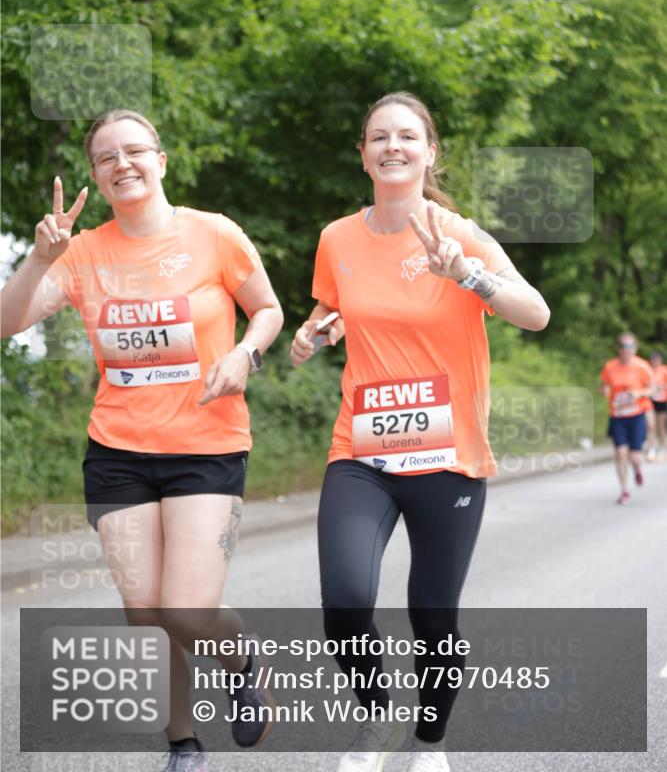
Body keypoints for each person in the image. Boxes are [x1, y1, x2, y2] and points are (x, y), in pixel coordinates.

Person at [0, 109, 284, 771]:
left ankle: (240, 659)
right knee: (146, 615)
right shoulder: (84, 251)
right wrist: (42, 256)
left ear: (161, 159)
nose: (122, 164)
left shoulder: (213, 235)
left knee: (184, 612)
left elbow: (266, 309)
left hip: (207, 447)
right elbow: (8, 323)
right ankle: (182, 744)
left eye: (134, 151)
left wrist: (246, 353)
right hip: (119, 453)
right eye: (106, 158)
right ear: (96, 177)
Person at [290, 91, 550, 772]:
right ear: (363, 155)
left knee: (431, 618)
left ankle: (428, 742)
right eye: (378, 137)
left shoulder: (457, 233)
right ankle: (375, 720)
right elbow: (334, 306)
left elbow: (535, 313)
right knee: (345, 603)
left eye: (407, 136)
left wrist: (467, 273)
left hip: (448, 454)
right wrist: (315, 331)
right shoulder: (336, 238)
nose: (392, 147)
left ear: (429, 151)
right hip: (363, 450)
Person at [599, 332, 653, 504]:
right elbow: (604, 386)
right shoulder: (610, 367)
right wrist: (605, 391)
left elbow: (654, 390)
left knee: (634, 456)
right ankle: (624, 491)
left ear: (635, 348)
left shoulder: (642, 367)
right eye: (622, 346)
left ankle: (637, 469)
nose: (625, 350)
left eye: (629, 346)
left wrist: (638, 393)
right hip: (618, 416)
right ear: (619, 349)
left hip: (636, 415)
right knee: (621, 453)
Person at [645, 350, 667, 462]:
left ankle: (663, 448)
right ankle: (650, 449)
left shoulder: (664, 370)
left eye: (657, 360)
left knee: (661, 427)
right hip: (650, 400)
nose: (655, 362)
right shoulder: (647, 370)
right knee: (650, 426)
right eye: (653, 360)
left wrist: (661, 387)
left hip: (662, 400)